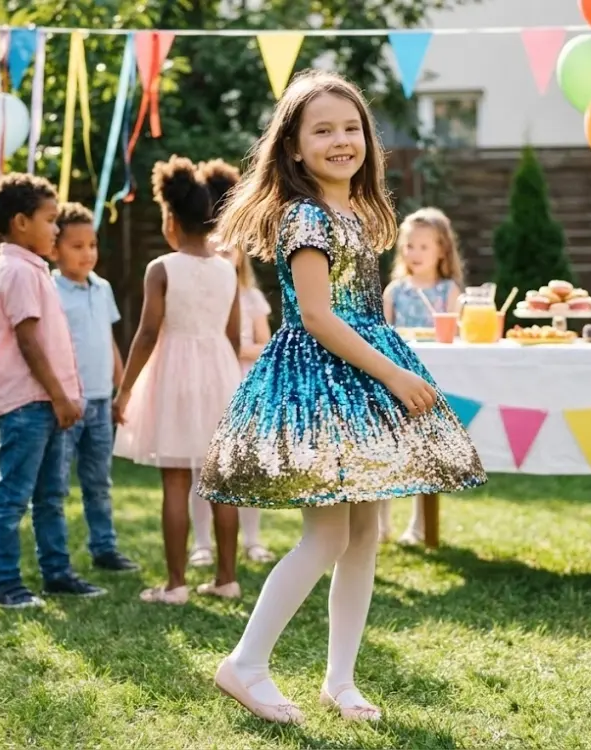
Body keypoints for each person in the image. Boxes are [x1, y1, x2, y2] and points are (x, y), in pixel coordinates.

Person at [197, 70, 486, 724]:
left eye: (351, 128)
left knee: (364, 535)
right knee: (327, 535)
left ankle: (340, 680)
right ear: (294, 148)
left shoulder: (356, 211)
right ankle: (245, 663)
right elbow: (318, 316)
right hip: (320, 383)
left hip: (356, 380)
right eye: (322, 130)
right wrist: (394, 376)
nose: (341, 140)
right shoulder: (305, 215)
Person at [113, 156, 243, 605]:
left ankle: (176, 584)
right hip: (221, 374)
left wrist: (126, 389)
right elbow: (233, 334)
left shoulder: (162, 268)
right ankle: (227, 578)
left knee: (175, 481)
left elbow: (148, 332)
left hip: (175, 374)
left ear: (171, 219)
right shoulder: (228, 268)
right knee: (221, 482)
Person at [0, 173, 106, 609]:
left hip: (49, 403)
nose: (56, 228)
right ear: (21, 222)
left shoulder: (33, 268)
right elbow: (29, 342)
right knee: (14, 496)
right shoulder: (17, 271)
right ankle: (6, 583)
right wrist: (59, 395)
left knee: (51, 497)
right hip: (29, 404)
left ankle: (57, 573)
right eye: (50, 220)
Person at [51, 201, 139, 573]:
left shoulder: (102, 288)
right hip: (68, 404)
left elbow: (108, 341)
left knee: (98, 482)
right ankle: (55, 558)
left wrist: (122, 391)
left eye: (92, 245)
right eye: (77, 246)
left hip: (102, 403)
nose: (88, 253)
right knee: (56, 485)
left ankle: (104, 548)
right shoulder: (50, 290)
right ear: (55, 249)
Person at [379, 207, 465, 545]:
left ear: (442, 250)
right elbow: (383, 336)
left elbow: (456, 337)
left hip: (432, 384)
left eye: (424, 246)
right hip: (396, 382)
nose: (414, 253)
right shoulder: (395, 291)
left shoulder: (449, 291)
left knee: (424, 454)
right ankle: (381, 523)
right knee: (386, 451)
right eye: (409, 245)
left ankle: (417, 525)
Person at [189, 242, 276, 567]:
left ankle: (252, 539)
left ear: (241, 254)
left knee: (245, 467)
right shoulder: (198, 297)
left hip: (243, 388)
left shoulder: (251, 297)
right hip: (207, 386)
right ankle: (202, 543)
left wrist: (235, 348)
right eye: (214, 250)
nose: (222, 257)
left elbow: (266, 345)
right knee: (202, 466)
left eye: (228, 251)